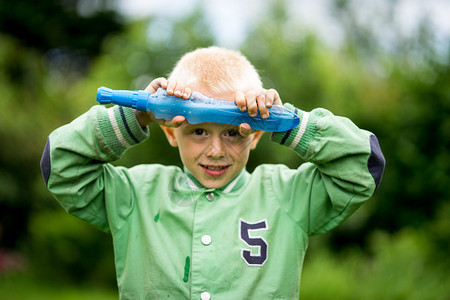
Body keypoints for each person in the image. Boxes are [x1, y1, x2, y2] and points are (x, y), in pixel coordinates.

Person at [40, 46, 385, 299]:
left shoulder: (288, 193)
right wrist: (136, 115)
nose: (217, 151)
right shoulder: (135, 192)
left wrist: (288, 122)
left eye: (234, 132)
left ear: (257, 133)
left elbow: (362, 165)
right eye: (199, 131)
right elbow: (60, 166)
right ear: (171, 131)